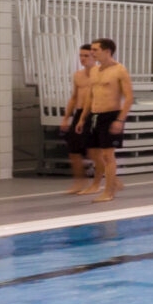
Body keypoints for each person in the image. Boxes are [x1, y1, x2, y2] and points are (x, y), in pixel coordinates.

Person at [76, 38, 134, 203]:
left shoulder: (120, 70)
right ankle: (110, 182)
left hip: (111, 115)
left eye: (95, 50)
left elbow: (129, 98)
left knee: (108, 156)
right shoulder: (94, 71)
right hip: (94, 115)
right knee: (93, 151)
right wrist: (82, 118)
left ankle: (108, 191)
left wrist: (120, 120)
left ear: (107, 51)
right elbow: (90, 96)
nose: (92, 53)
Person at [62, 43, 99, 195]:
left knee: (93, 152)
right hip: (79, 113)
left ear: (94, 57)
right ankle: (79, 181)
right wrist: (66, 118)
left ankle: (106, 181)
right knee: (73, 150)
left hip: (94, 113)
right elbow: (74, 97)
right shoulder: (78, 75)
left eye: (86, 56)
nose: (83, 59)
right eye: (81, 56)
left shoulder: (99, 73)